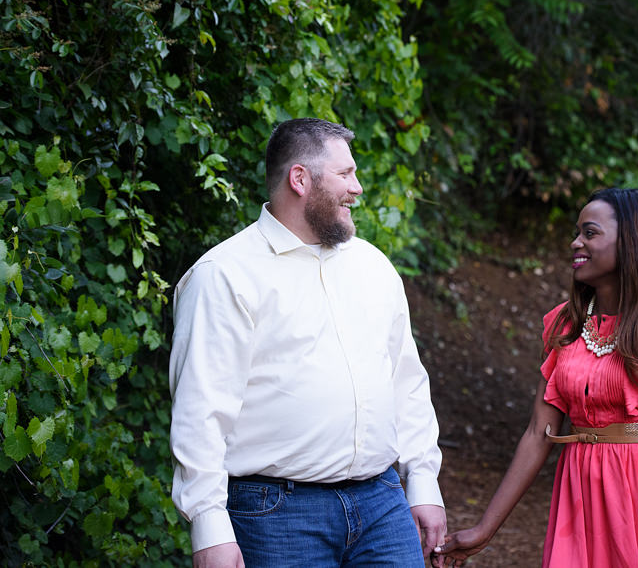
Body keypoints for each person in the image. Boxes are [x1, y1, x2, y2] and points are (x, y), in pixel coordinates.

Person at [169, 118, 447, 568]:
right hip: (275, 515)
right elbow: (200, 412)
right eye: (345, 174)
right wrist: (209, 527)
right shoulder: (224, 275)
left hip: (382, 505)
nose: (357, 187)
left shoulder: (373, 266)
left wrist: (423, 483)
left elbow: (406, 384)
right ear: (300, 179)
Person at [436, 187, 638, 568]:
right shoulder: (563, 324)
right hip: (579, 496)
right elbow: (536, 435)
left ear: (632, 242)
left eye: (589, 233)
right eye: (576, 232)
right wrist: (484, 530)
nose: (575, 242)